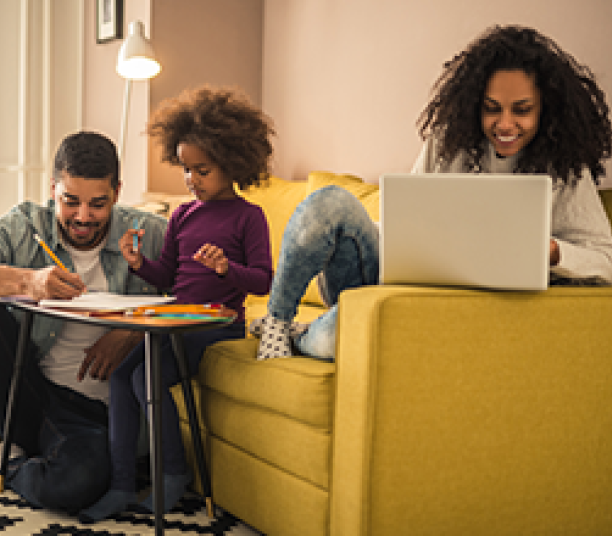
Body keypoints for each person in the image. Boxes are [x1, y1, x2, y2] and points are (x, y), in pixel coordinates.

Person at [253, 24, 612, 362]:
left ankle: (302, 336)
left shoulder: (566, 170)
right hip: (393, 279)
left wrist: (553, 252)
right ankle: (277, 322)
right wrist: (381, 235)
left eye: (522, 110)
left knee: (341, 335)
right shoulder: (447, 143)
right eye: (491, 109)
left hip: (430, 307)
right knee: (329, 201)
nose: (505, 124)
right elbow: (408, 219)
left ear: (546, 110)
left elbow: (605, 259)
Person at [0, 131, 169, 514]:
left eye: (98, 204)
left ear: (118, 191)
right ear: (53, 187)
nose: (83, 217)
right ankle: (17, 447)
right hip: (31, 394)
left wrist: (132, 331)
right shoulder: (26, 226)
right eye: (69, 201)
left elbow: (203, 301)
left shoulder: (151, 234)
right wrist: (27, 281)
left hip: (102, 416)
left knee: (73, 485)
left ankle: (4, 461)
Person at [78, 86, 274, 523]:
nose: (191, 179)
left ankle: (173, 474)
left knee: (146, 378)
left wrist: (227, 270)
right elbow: (168, 277)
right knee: (122, 377)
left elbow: (263, 281)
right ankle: (121, 484)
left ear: (232, 162)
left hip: (216, 326)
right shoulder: (183, 215)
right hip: (175, 320)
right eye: (186, 169)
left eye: (201, 170)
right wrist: (138, 263)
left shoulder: (248, 217)